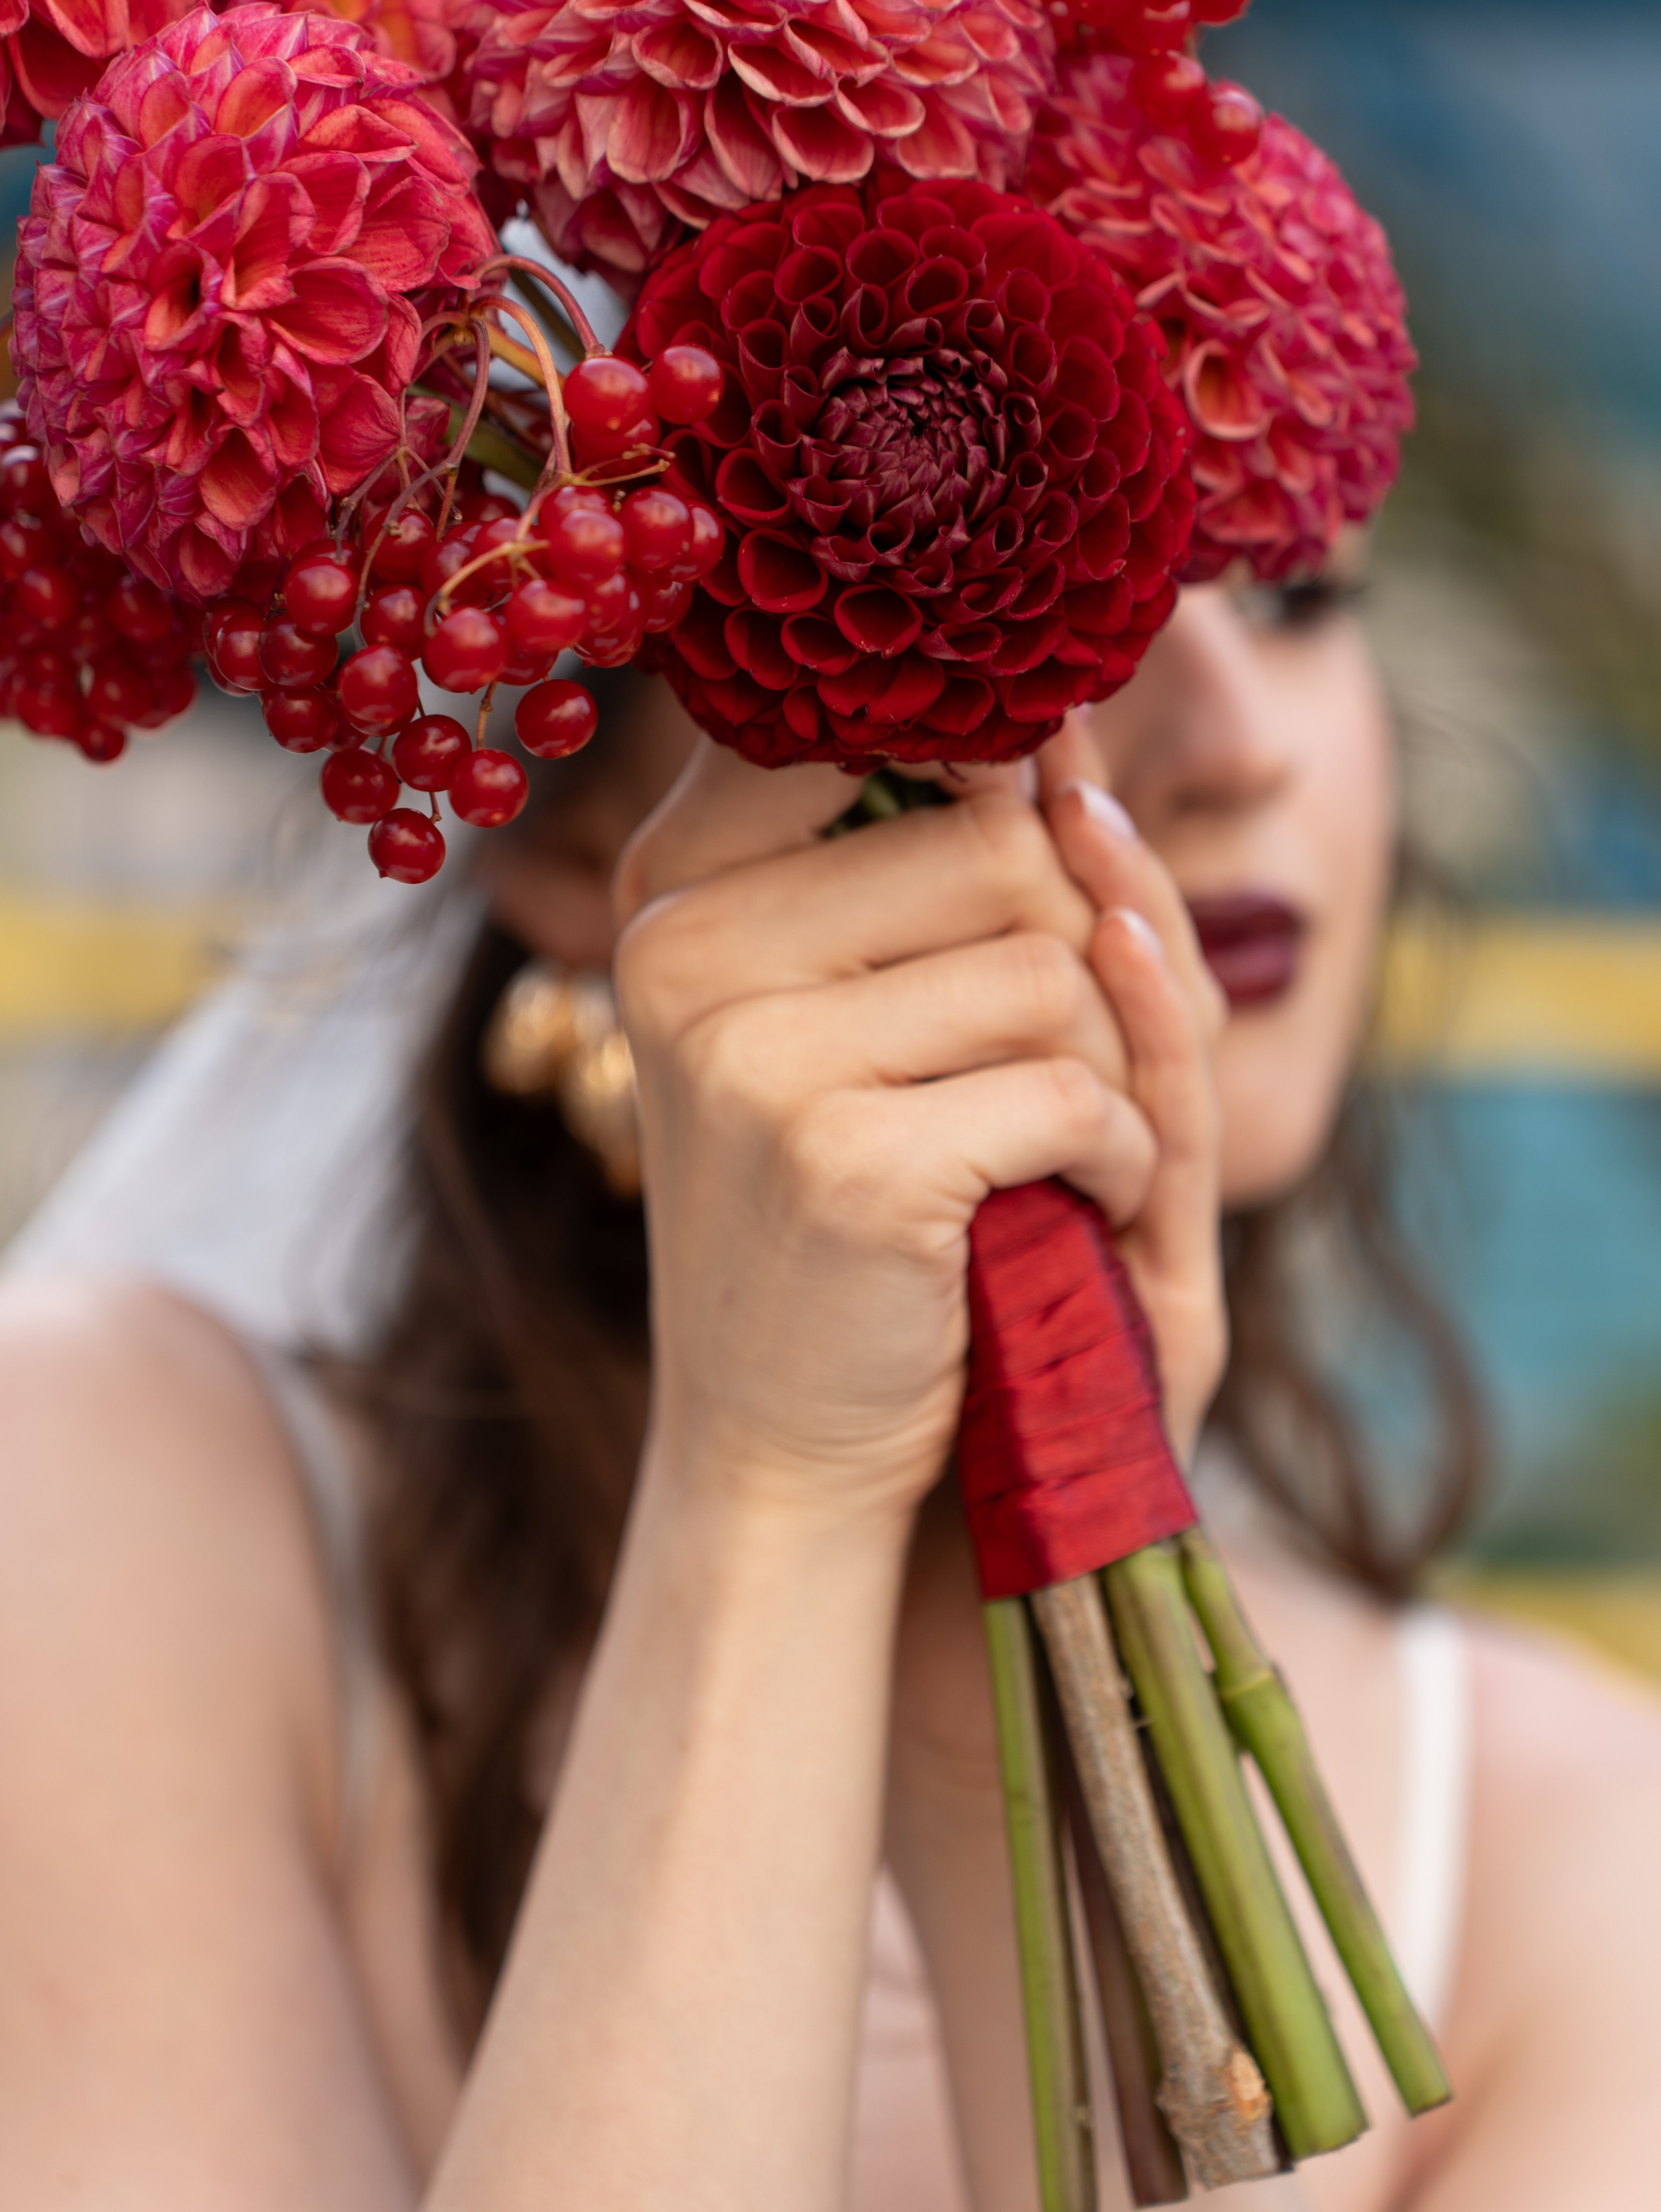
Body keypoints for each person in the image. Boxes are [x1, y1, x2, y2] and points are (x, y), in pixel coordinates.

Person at [1, 561, 1658, 2212]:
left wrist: (1003, 1655)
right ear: (564, 825)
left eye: (1292, 595)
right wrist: (769, 1491)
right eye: (1028, 593)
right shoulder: (114, 1522)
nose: (1232, 742)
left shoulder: (1574, 1871)